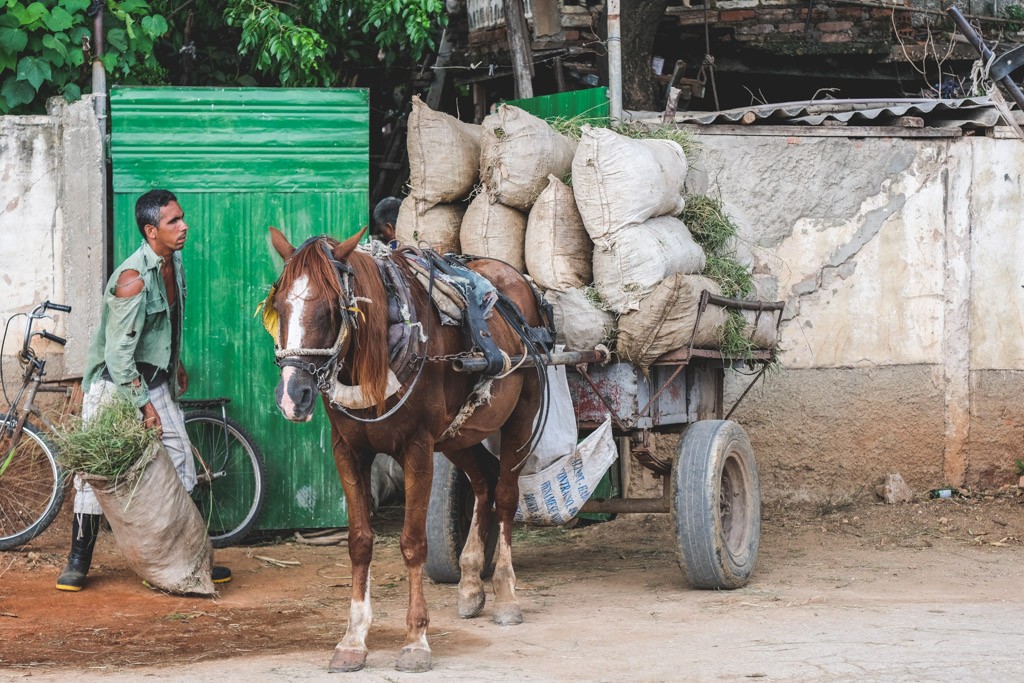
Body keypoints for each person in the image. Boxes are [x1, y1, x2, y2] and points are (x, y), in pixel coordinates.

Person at [56, 189, 231, 591]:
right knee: (95, 475)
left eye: (182, 218)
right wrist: (144, 407)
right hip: (114, 385)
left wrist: (176, 363)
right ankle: (78, 562)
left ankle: (192, 558)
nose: (184, 225)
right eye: (174, 221)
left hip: (152, 380)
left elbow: (164, 323)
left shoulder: (174, 263)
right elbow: (118, 358)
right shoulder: (132, 280)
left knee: (182, 461)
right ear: (152, 231)